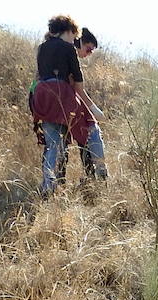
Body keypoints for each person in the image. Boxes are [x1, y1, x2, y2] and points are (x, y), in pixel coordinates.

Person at [28, 15, 100, 197]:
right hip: (61, 96)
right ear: (68, 31)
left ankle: (48, 185)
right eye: (73, 35)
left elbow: (40, 75)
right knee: (70, 139)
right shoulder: (69, 49)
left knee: (52, 143)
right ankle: (93, 178)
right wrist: (93, 108)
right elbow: (77, 82)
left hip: (41, 95)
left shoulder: (42, 47)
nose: (74, 39)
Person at [56, 27, 107, 186]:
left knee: (82, 138)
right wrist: (93, 109)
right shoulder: (68, 54)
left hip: (69, 105)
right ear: (80, 42)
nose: (89, 53)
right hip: (62, 105)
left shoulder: (64, 52)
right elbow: (77, 88)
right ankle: (96, 178)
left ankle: (92, 180)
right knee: (66, 142)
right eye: (89, 49)